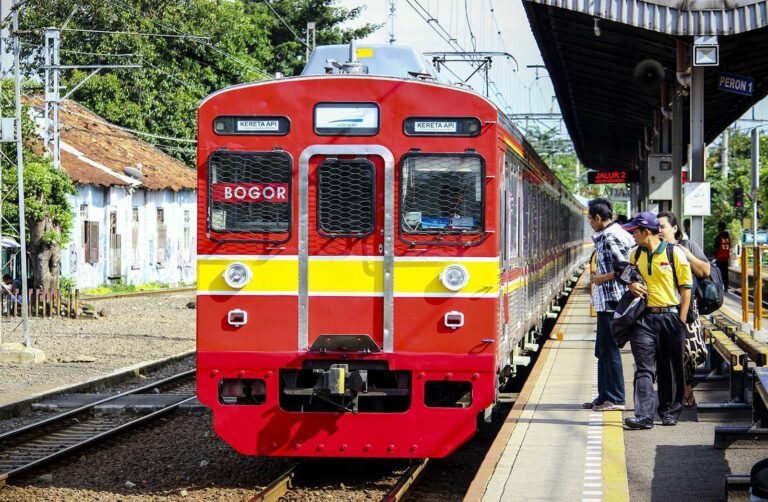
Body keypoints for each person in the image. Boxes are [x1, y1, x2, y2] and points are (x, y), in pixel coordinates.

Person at [622, 211, 693, 429]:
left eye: (635, 232)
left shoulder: (674, 253)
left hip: (670, 317)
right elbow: (628, 276)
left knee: (669, 368)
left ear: (646, 232)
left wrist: (681, 320)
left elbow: (686, 289)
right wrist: (631, 284)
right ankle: (644, 415)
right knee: (643, 368)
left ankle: (669, 411)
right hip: (643, 318)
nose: (633, 236)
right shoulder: (635, 254)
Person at [583, 198, 634, 411]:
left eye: (590, 219)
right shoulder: (609, 234)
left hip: (614, 301)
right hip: (607, 302)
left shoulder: (611, 237)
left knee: (610, 350)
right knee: (602, 350)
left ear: (598, 217)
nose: (589, 222)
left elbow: (629, 268)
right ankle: (603, 396)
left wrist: (602, 278)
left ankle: (615, 398)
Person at [658, 211, 711, 407]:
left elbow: (705, 271)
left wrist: (687, 256)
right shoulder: (653, 249)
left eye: (662, 226)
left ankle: (685, 385)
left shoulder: (688, 246)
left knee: (689, 351)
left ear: (674, 228)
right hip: (662, 307)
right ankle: (680, 391)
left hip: (687, 306)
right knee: (665, 352)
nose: (659, 230)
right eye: (657, 227)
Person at [714, 222, 731, 292]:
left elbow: (716, 248)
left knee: (719, 273)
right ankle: (726, 287)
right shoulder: (728, 238)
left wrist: (713, 254)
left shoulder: (718, 237)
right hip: (726, 258)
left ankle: (720, 287)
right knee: (725, 273)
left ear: (720, 228)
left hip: (719, 258)